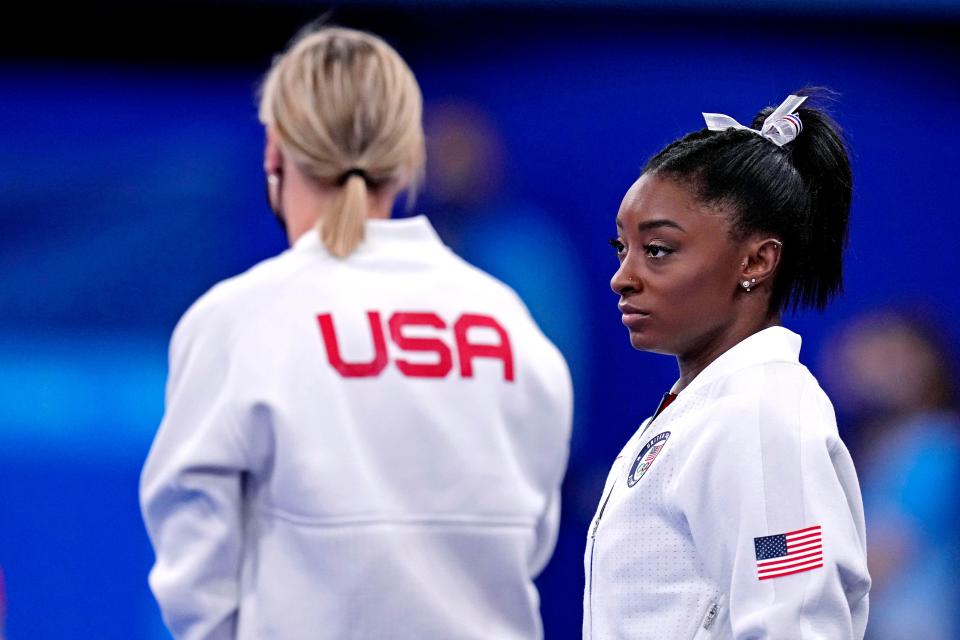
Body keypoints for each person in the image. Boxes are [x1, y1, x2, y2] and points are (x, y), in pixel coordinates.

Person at [140, 25, 572, 640]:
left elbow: (194, 565)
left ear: (274, 155)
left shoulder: (235, 321)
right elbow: (527, 536)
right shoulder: (509, 323)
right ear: (405, 161)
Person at [585, 92, 870, 639]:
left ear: (757, 261)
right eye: (621, 248)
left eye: (659, 249)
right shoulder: (706, 410)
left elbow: (799, 626)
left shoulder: (762, 417)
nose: (623, 276)